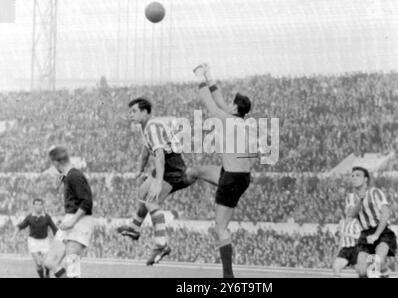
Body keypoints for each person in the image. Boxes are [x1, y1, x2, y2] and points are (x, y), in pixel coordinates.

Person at [117, 98, 221, 265]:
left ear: (145, 112)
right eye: (130, 112)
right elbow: (145, 152)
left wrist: (158, 182)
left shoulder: (152, 127)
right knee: (142, 191)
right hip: (167, 164)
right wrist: (139, 169)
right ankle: (134, 229)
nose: (131, 115)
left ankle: (161, 245)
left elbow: (159, 155)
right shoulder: (146, 127)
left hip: (171, 167)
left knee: (151, 202)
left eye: (134, 111)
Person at [193, 63, 253, 278]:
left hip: (232, 178)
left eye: (231, 103)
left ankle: (228, 276)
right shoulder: (239, 121)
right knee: (198, 171)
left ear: (235, 108)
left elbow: (211, 104)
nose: (227, 103)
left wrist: (199, 78)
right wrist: (209, 75)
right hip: (237, 175)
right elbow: (219, 101)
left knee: (220, 228)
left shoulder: (230, 121)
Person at [43, 146, 94, 278]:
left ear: (55, 162)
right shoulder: (68, 176)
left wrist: (72, 220)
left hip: (80, 220)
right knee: (50, 262)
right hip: (70, 218)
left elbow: (87, 202)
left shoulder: (75, 175)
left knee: (72, 264)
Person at [347, 166, 396, 278]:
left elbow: (386, 214)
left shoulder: (375, 192)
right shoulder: (351, 197)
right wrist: (360, 200)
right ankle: (383, 271)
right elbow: (351, 214)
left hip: (381, 232)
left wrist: (376, 234)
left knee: (377, 262)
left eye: (358, 175)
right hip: (364, 234)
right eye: (353, 176)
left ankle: (384, 270)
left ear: (366, 179)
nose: (354, 178)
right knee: (362, 271)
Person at [13, 198, 58, 278]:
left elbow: (54, 229)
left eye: (40, 204)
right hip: (33, 242)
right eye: (36, 204)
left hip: (45, 241)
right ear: (33, 206)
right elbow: (20, 226)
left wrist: (59, 239)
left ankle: (47, 273)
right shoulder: (29, 217)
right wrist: (13, 236)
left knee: (47, 263)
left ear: (43, 206)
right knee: (39, 263)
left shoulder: (47, 217)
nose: (38, 206)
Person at [332, 213, 361, 277]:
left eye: (351, 209)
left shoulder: (356, 222)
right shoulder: (342, 222)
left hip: (354, 249)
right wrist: (338, 250)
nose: (349, 211)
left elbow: (359, 236)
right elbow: (341, 238)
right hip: (345, 249)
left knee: (361, 271)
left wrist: (347, 234)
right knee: (336, 267)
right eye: (348, 209)